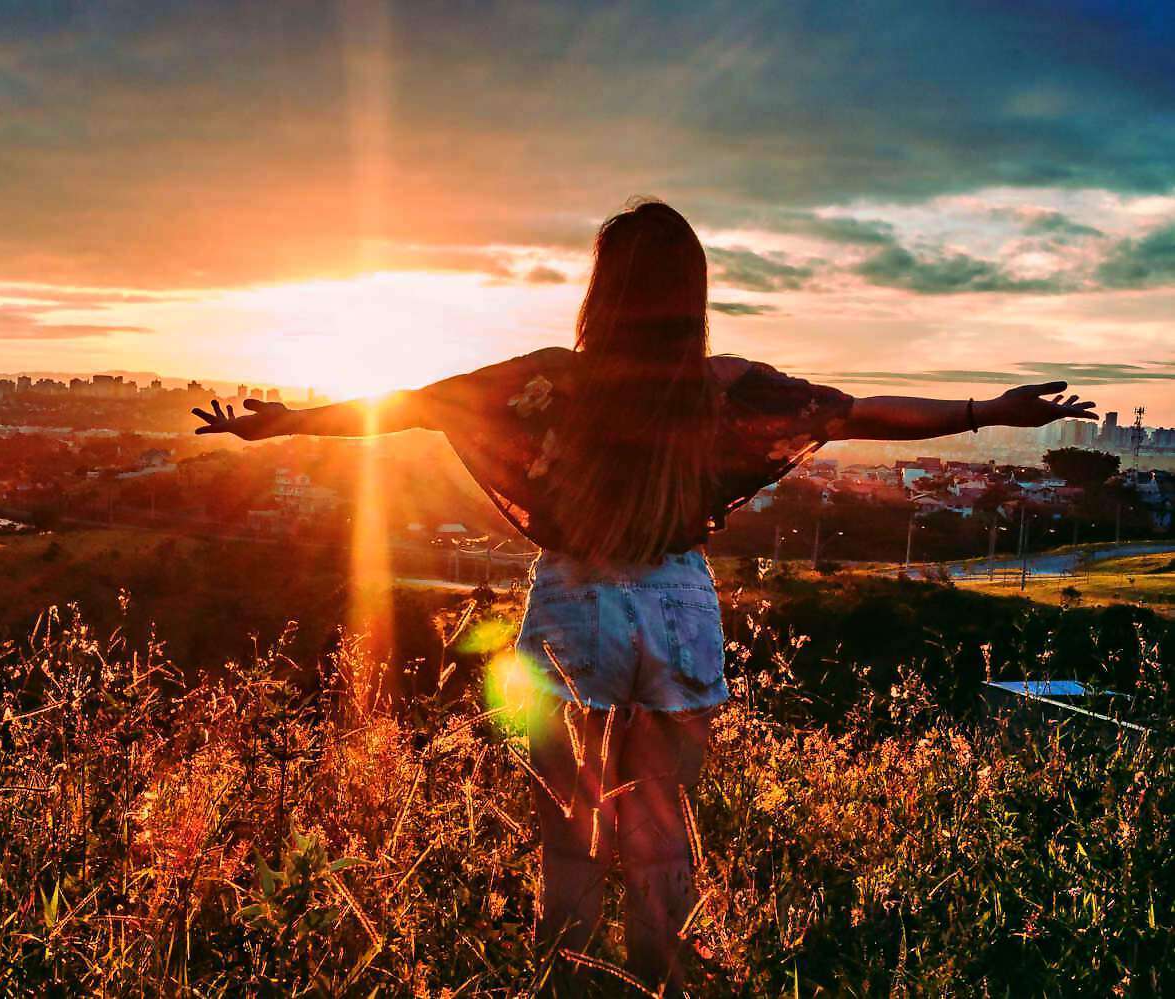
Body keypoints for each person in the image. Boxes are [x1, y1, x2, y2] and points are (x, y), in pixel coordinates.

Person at [190, 198, 1097, 989]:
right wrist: (988, 411)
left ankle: (570, 984)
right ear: (690, 292)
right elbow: (853, 410)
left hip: (572, 606)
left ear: (603, 290)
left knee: (569, 832)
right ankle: (657, 979)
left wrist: (285, 424)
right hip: (676, 604)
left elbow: (414, 402)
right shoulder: (723, 385)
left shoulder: (555, 376)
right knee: (661, 824)